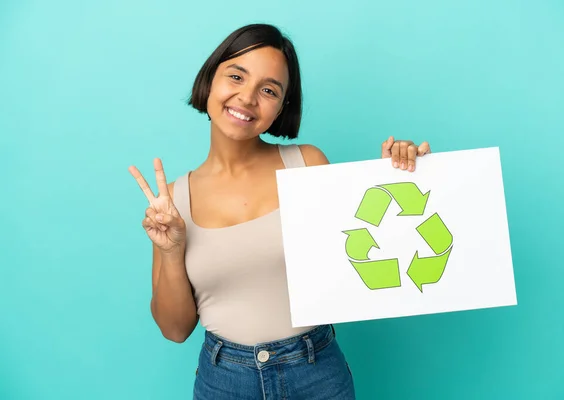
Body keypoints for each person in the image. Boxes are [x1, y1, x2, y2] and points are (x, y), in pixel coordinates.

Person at [129, 23, 431, 400]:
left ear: (282, 106)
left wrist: (395, 177)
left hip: (316, 372)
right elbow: (174, 330)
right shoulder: (171, 201)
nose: (247, 97)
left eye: (269, 89)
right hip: (224, 381)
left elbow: (368, 248)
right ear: (210, 79)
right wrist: (171, 250)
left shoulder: (307, 164)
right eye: (236, 76)